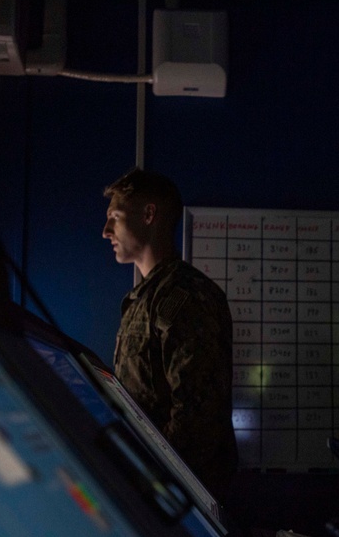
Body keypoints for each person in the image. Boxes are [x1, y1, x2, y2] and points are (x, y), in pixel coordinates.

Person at [102, 168, 238, 500]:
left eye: (115, 218)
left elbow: (196, 419)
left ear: (149, 214)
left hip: (183, 496)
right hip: (157, 486)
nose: (106, 231)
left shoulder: (185, 296)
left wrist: (154, 480)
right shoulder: (145, 297)